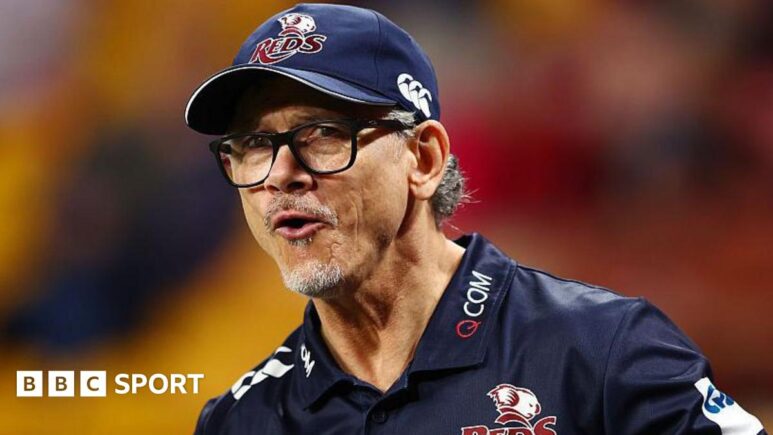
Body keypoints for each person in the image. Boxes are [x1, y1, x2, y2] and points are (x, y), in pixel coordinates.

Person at [185, 3, 766, 434]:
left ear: (424, 159)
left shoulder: (601, 351)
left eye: (322, 134)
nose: (280, 174)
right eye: (254, 144)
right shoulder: (242, 419)